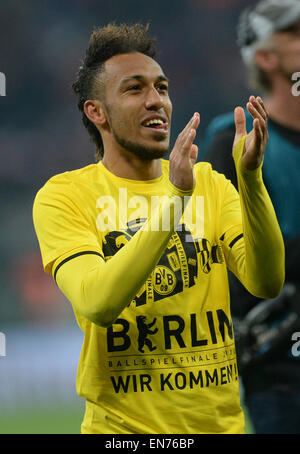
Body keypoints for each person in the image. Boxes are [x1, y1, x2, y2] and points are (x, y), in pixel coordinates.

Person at [32, 23, 284, 434]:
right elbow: (98, 302)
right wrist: (176, 200)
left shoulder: (211, 185)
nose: (156, 100)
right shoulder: (65, 196)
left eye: (162, 88)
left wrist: (251, 180)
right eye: (134, 89)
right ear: (96, 112)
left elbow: (267, 281)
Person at [202, 0, 300, 434]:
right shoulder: (232, 141)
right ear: (266, 57)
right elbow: (220, 254)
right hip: (282, 377)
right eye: (295, 33)